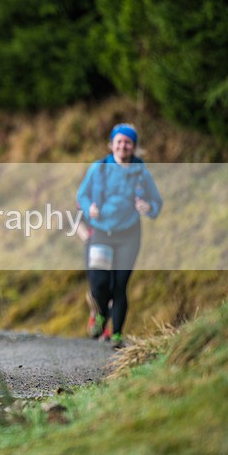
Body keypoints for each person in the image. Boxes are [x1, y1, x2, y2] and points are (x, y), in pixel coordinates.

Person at [77, 123, 162, 349]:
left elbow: (157, 202)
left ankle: (116, 334)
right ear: (111, 145)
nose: (123, 146)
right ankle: (101, 314)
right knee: (100, 282)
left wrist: (148, 207)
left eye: (128, 142)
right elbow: (81, 195)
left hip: (129, 235)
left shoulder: (141, 171)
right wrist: (89, 209)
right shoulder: (99, 168)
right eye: (119, 142)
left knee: (120, 285)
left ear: (133, 147)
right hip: (102, 233)